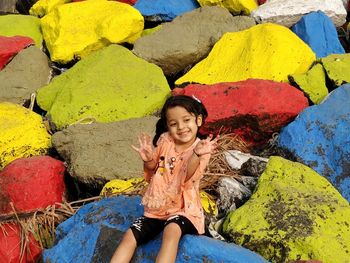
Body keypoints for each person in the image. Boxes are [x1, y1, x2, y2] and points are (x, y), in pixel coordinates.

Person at [110, 95, 219, 263]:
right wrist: (148, 159)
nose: (181, 127)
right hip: (158, 209)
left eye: (186, 120)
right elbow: (154, 170)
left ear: (198, 120)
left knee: (171, 230)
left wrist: (196, 155)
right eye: (174, 124)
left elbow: (188, 177)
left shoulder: (202, 148)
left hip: (184, 210)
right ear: (167, 125)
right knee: (130, 236)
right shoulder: (165, 140)